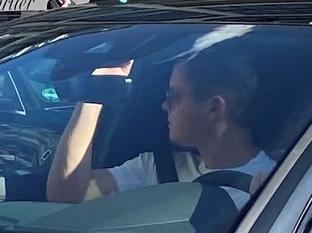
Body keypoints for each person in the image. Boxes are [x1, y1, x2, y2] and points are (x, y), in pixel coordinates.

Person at [48, 46, 276, 204]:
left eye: (173, 96)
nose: (164, 106)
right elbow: (66, 193)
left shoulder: (275, 186)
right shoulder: (154, 167)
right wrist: (96, 91)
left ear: (215, 108)